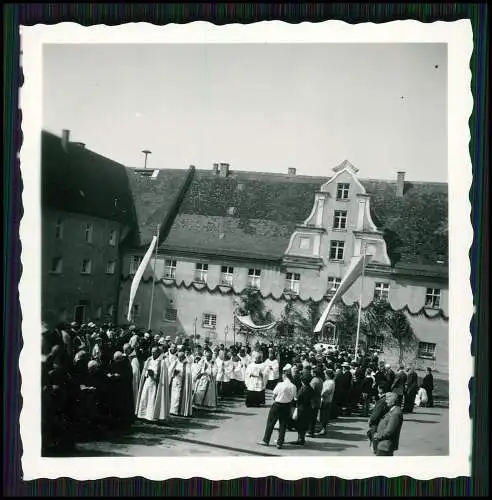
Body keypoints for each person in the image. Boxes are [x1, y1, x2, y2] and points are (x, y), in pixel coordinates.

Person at [257, 364, 296, 449]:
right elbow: (294, 397)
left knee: (270, 423)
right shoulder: (293, 386)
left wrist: (278, 398)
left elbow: (274, 395)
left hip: (277, 404)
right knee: (283, 425)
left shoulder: (280, 385)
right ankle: (280, 442)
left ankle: (266, 440)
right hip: (287, 406)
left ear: (284, 375)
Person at [372, 392, 404, 456]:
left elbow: (389, 431)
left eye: (387, 400)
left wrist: (377, 436)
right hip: (383, 444)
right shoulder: (391, 411)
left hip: (385, 446)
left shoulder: (395, 413)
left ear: (393, 401)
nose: (385, 402)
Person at [135, 347, 161, 422]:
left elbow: (161, 375)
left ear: (158, 353)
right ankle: (142, 414)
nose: (153, 353)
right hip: (147, 381)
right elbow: (145, 370)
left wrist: (154, 375)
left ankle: (150, 416)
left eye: (154, 352)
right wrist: (147, 373)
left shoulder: (160, 362)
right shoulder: (149, 360)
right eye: (152, 352)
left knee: (151, 398)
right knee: (144, 397)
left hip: (154, 383)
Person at [293, 372, 315, 446]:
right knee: (304, 424)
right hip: (308, 408)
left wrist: (295, 398)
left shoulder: (303, 389)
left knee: (300, 424)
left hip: (301, 408)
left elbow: (297, 398)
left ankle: (300, 439)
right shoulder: (310, 388)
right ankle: (302, 438)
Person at [169, 352, 193, 417]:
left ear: (183, 357)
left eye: (181, 358)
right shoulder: (175, 362)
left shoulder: (187, 364)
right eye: (178, 357)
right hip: (175, 381)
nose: (179, 359)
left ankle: (179, 411)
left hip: (183, 383)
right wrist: (173, 373)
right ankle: (173, 410)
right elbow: (169, 370)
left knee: (178, 396)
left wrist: (180, 373)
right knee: (174, 397)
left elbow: (188, 374)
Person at [367, 383, 389, 450]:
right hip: (381, 421)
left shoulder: (382, 400)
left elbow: (377, 413)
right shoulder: (386, 398)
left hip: (377, 422)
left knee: (374, 437)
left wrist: (371, 420)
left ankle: (375, 449)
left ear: (381, 389)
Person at [318, 369, 335, 436]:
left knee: (324, 415)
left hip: (326, 400)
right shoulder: (328, 381)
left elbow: (326, 391)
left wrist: (321, 394)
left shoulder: (330, 382)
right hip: (324, 400)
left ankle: (323, 429)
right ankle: (322, 428)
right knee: (322, 415)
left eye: (325, 374)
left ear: (328, 375)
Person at [308, 366, 323, 436]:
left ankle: (310, 431)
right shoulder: (320, 379)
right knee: (314, 416)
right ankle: (312, 430)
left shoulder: (314, 381)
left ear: (315, 373)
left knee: (311, 416)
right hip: (318, 399)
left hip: (313, 401)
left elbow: (310, 391)